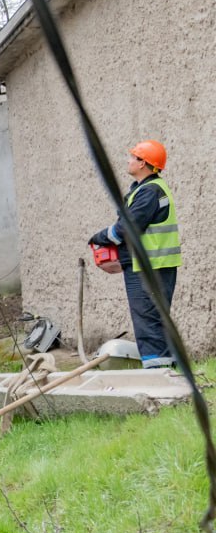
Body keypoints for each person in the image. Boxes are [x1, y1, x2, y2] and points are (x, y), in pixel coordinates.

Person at [88, 139, 182, 368]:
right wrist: (122, 259)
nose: (128, 160)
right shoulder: (146, 189)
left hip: (148, 267)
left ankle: (156, 373)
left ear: (143, 163)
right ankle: (167, 370)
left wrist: (100, 237)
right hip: (152, 264)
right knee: (156, 319)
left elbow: (128, 228)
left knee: (148, 320)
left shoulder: (149, 192)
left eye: (133, 157)